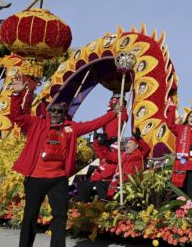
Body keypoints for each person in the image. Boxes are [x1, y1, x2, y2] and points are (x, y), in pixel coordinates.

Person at [10, 73, 121, 247]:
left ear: (64, 114)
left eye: (59, 111)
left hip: (58, 179)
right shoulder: (36, 124)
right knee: (30, 215)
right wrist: (17, 94)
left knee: (60, 216)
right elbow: (16, 116)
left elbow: (94, 124)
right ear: (48, 113)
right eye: (52, 110)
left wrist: (113, 114)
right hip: (35, 179)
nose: (55, 113)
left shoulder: (72, 128)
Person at [106, 130, 150, 198]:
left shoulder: (140, 154)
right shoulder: (123, 155)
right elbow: (108, 157)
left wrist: (139, 139)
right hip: (119, 181)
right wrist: (101, 144)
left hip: (131, 183)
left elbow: (147, 149)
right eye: (127, 143)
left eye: (130, 143)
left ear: (136, 146)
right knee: (99, 184)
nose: (127, 145)